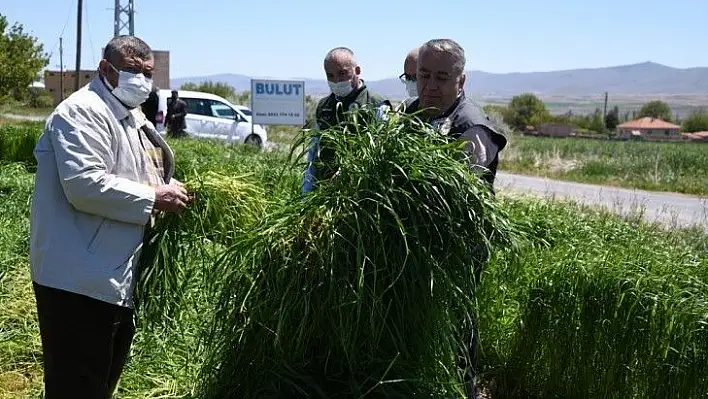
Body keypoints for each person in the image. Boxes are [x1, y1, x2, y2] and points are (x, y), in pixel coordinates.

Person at [30, 35, 190, 399]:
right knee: (76, 385)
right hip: (75, 279)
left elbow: (134, 169)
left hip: (110, 274)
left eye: (147, 73)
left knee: (100, 380)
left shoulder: (130, 114)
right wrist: (154, 196)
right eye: (132, 70)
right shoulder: (82, 112)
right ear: (106, 69)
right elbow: (85, 184)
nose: (142, 80)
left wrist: (168, 185)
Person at [401, 38, 507, 399]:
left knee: (455, 325)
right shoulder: (413, 113)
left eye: (441, 78)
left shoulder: (472, 129)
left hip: (455, 251)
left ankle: (463, 390)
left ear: (461, 81)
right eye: (423, 76)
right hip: (411, 245)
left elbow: (450, 195)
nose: (430, 86)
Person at [301, 47, 390, 193]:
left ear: (357, 70)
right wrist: (307, 193)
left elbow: (381, 153)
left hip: (362, 193)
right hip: (326, 191)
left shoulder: (376, 104)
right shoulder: (324, 106)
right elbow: (313, 153)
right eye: (330, 75)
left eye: (342, 73)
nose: (337, 81)